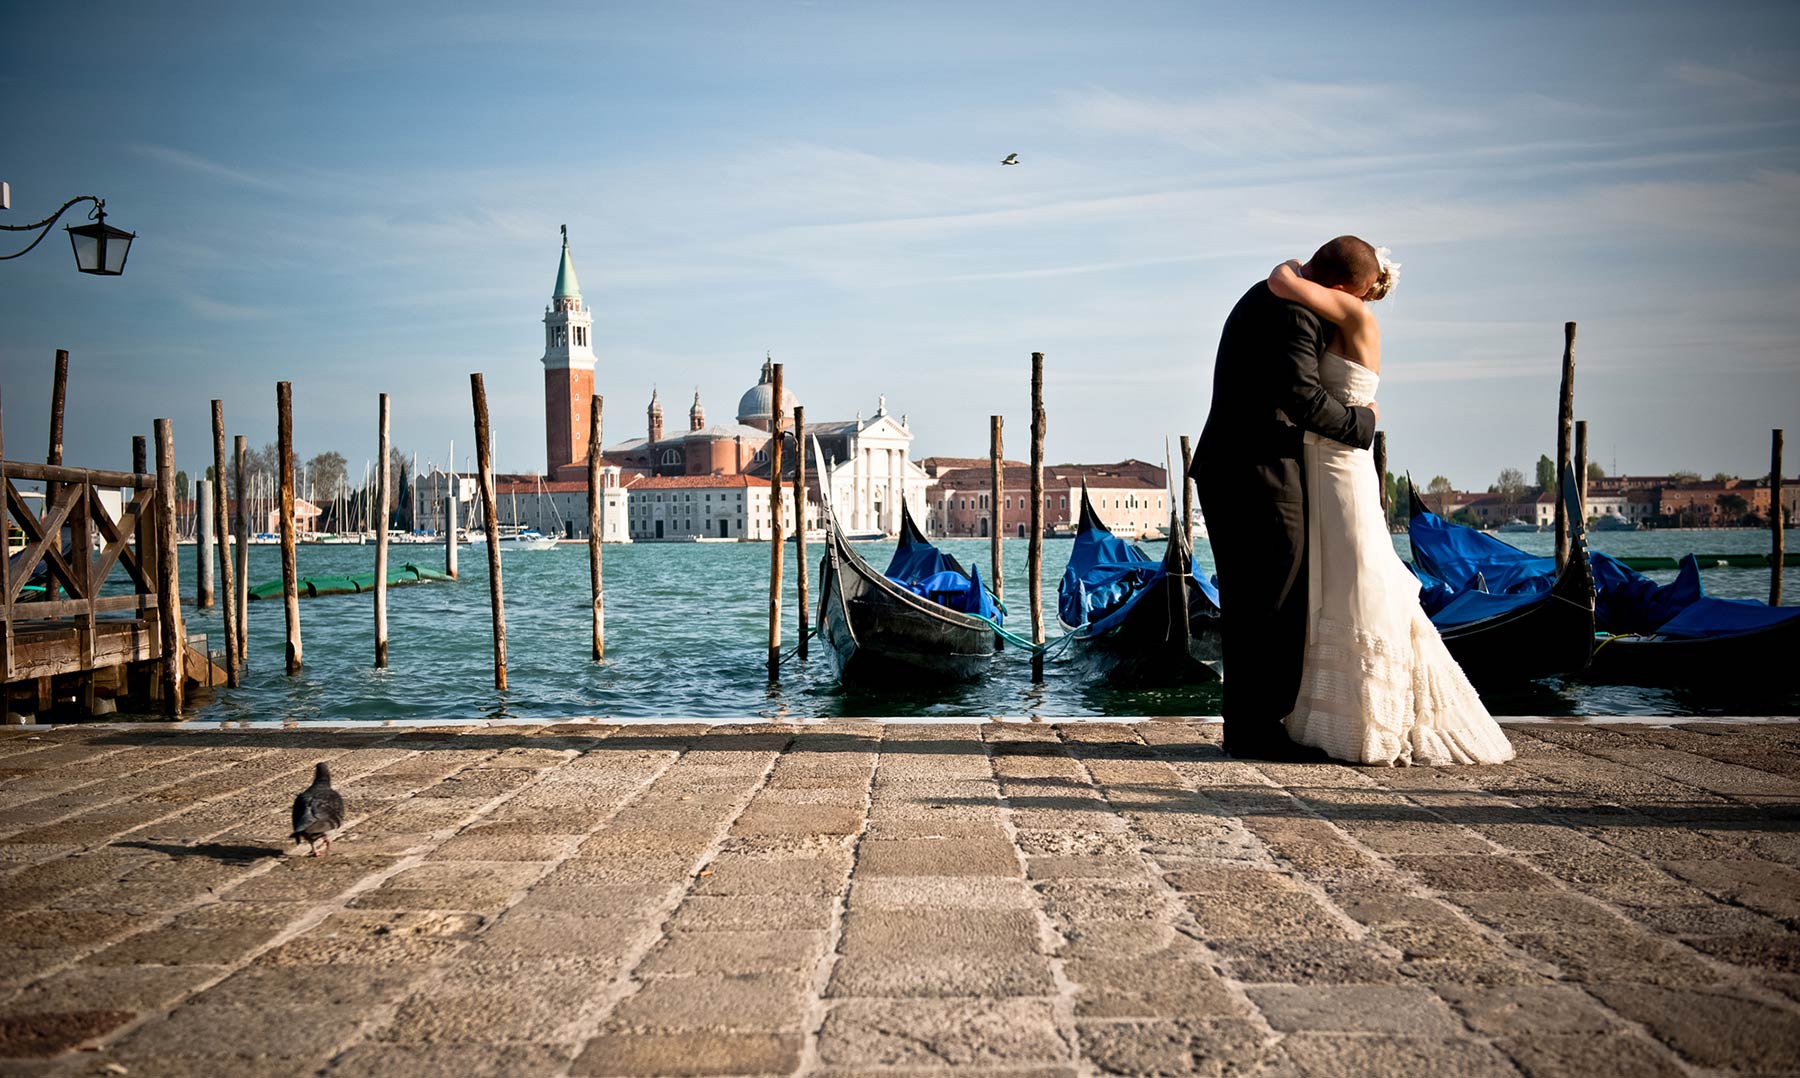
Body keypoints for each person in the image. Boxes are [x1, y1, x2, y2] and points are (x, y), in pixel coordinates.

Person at [1262, 250, 1512, 764]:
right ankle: (1326, 713)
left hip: (1337, 465)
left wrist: (1294, 264)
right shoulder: (1348, 313)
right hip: (1322, 460)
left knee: (1360, 572)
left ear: (1350, 287)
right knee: (1331, 580)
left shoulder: (1354, 314)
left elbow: (1281, 280)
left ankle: (1373, 717)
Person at [1193, 237, 1380, 761]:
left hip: (1239, 468)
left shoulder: (1269, 295)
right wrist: (1361, 423)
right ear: (1340, 288)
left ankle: (1250, 727)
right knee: (1273, 596)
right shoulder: (1294, 314)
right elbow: (1299, 396)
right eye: (1357, 297)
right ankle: (1259, 732)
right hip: (1256, 472)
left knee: (1256, 597)